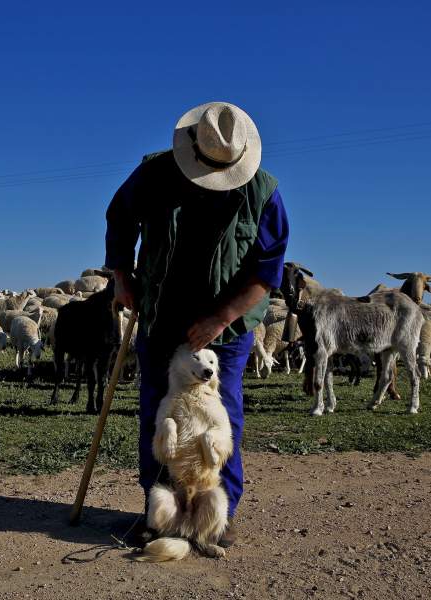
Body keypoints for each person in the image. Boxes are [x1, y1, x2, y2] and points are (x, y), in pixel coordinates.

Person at [104, 101, 289, 548]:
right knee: (158, 410)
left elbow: (268, 269)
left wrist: (221, 316)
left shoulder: (262, 193)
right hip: (162, 313)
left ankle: (217, 514)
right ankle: (157, 513)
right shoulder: (152, 174)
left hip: (225, 330)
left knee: (221, 415)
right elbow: (120, 218)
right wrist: (123, 277)